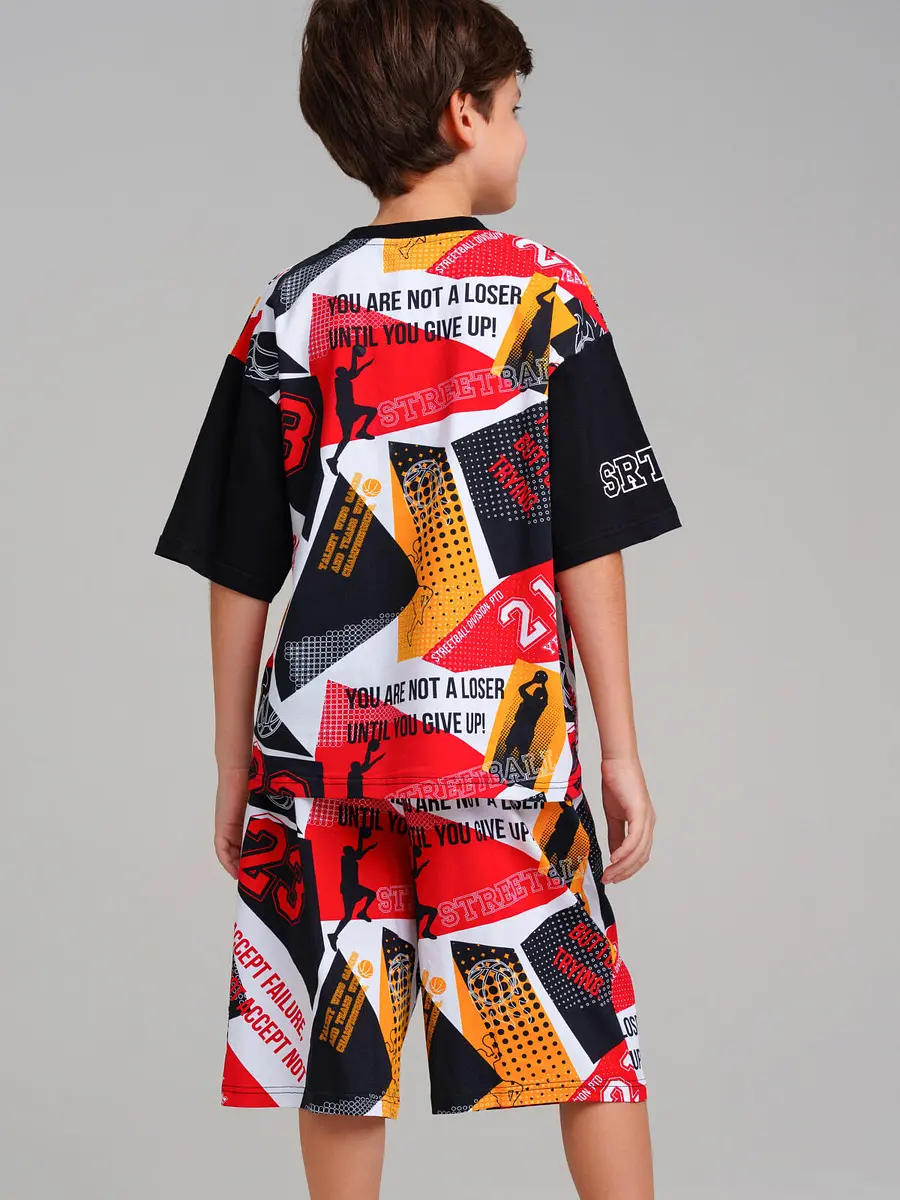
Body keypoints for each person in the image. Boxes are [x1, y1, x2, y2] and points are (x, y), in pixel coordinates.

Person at [153, 1, 682, 1196]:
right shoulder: (546, 295)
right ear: (463, 116)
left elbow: (241, 565)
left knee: (337, 1058)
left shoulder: (288, 308)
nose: (523, 135)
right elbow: (591, 545)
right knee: (586, 1046)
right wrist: (621, 750)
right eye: (515, 109)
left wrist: (234, 762)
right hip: (499, 748)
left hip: (321, 755)